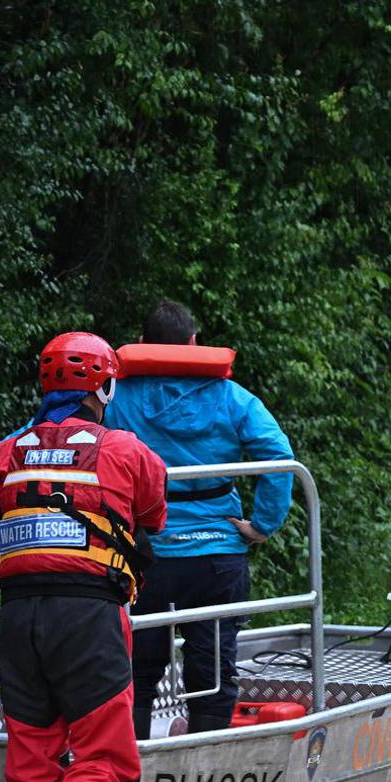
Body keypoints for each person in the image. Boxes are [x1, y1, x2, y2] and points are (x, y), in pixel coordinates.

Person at [0, 331, 166, 782]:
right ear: (105, 386)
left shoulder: (4, 455)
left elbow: (0, 496)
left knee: (31, 756)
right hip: (88, 615)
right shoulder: (126, 450)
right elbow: (152, 515)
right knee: (106, 755)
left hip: (17, 619)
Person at [108, 300, 294, 738]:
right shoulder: (233, 398)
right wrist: (263, 525)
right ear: (194, 344)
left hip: (145, 549)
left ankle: (131, 760)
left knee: (138, 664)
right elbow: (279, 458)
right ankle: (207, 757)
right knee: (211, 661)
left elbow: (52, 432)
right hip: (217, 552)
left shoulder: (116, 398)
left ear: (141, 345)